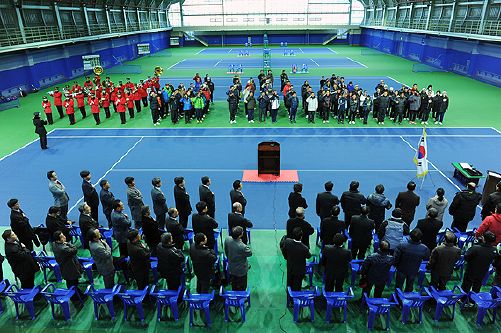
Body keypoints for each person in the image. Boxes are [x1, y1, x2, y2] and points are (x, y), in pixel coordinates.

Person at [462, 231, 498, 297]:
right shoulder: (494, 250)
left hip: (471, 270)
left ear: (484, 239)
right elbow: (495, 260)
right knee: (477, 286)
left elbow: (466, 257)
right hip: (483, 272)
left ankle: (463, 299)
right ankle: (472, 301)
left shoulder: (475, 248)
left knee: (466, 285)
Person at [52, 230, 84, 300]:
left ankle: (75, 293)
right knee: (72, 281)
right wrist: (68, 244)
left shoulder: (54, 244)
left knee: (69, 281)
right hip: (70, 268)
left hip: (64, 266)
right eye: (62, 236)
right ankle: (75, 296)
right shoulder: (63, 248)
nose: (64, 236)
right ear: (59, 239)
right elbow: (74, 250)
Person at [224, 226, 253, 291]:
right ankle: (241, 298)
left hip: (231, 267)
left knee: (234, 283)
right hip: (241, 270)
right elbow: (250, 253)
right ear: (240, 235)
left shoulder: (227, 239)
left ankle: (234, 295)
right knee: (242, 285)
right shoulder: (243, 246)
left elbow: (226, 250)